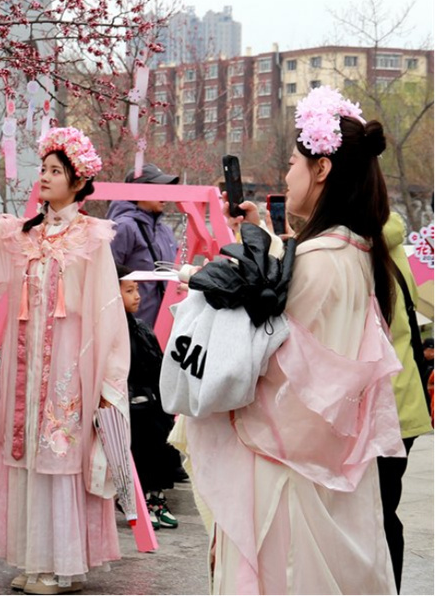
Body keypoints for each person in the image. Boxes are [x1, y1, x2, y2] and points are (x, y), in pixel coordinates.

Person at [178, 86, 404, 593]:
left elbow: (267, 364)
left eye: (292, 162)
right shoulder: (356, 254)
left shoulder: (317, 261)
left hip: (284, 472)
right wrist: (261, 236)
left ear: (321, 169)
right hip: (335, 468)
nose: (286, 174)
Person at [0, 129, 130, 595]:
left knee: (59, 456)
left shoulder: (92, 238)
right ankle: (32, 559)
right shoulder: (25, 234)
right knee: (27, 453)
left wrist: (108, 375)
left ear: (78, 183)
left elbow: (106, 310)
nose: (45, 177)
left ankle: (58, 567)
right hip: (24, 364)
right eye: (44, 169)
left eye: (56, 171)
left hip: (66, 365)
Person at [377, 213, 433, 592]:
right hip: (404, 401)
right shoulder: (394, 242)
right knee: (384, 513)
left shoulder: (354, 249)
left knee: (372, 517)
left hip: (378, 405)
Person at [115, 264, 178, 531]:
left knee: (161, 435)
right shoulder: (112, 331)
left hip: (149, 398)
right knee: (141, 439)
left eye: (137, 289)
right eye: (129, 291)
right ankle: (138, 498)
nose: (137, 296)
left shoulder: (141, 327)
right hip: (127, 401)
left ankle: (156, 497)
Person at [108, 163, 180, 328]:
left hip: (165, 324)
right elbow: (107, 277)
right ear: (138, 190)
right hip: (133, 327)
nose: (164, 195)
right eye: (158, 188)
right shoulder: (124, 227)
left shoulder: (165, 230)